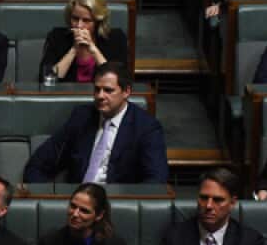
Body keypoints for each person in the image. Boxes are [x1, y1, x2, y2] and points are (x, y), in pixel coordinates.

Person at [23, 62, 169, 185]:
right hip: (77, 205)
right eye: (97, 89)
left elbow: (156, 180)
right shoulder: (81, 117)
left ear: (126, 91)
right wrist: (48, 199)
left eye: (108, 90)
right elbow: (38, 163)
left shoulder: (146, 127)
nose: (100, 96)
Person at [38, 0, 129, 83]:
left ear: (97, 22)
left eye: (86, 20)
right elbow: (46, 79)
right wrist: (74, 50)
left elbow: (119, 82)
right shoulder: (57, 37)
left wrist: (93, 49)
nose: (79, 25)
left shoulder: (116, 38)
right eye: (75, 18)